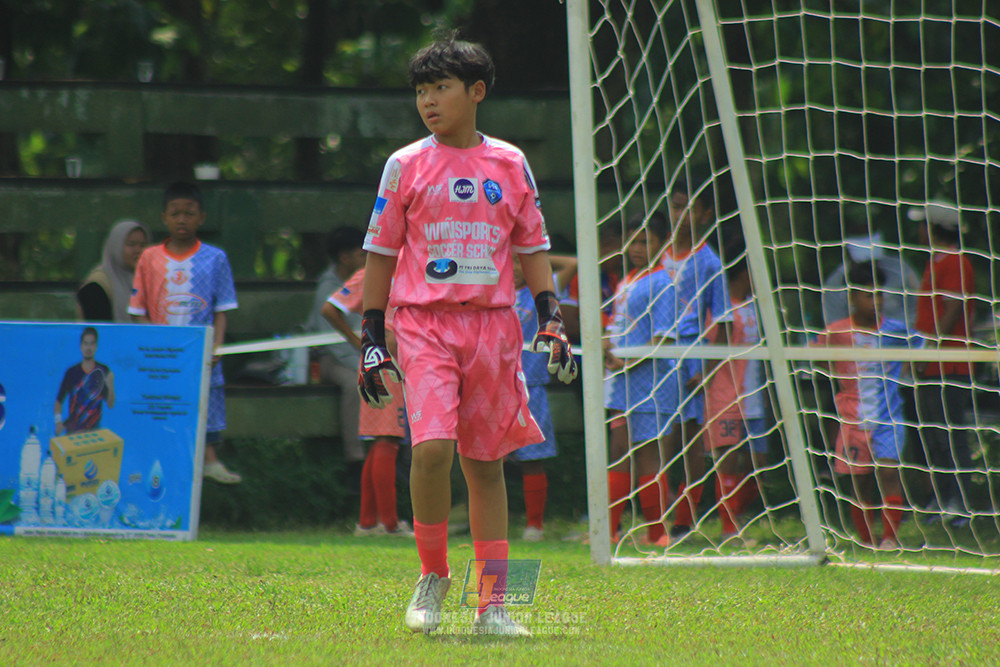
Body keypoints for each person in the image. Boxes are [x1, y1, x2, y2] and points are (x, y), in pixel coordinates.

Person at [358, 36, 576, 636]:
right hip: (423, 324)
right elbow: (380, 253)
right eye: (422, 90)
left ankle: (496, 606)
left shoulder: (510, 163)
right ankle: (433, 578)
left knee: (488, 465)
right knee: (431, 450)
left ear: (476, 92)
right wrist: (372, 334)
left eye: (441, 87)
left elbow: (533, 249)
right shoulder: (404, 164)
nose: (428, 100)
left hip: (495, 327)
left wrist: (551, 315)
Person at [129, 181, 242, 485]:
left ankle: (210, 460)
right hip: (161, 353)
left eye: (189, 213)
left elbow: (222, 308)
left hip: (199, 351)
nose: (182, 219)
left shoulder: (216, 258)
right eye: (175, 213)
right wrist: (155, 344)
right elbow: (137, 311)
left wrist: (216, 345)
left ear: (201, 217)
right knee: (162, 407)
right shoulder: (149, 258)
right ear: (164, 217)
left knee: (204, 399)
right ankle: (155, 465)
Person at [812, 262, 922, 549]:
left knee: (888, 472)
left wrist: (911, 366)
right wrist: (837, 373)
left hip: (889, 417)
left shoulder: (897, 331)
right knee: (859, 483)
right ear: (851, 298)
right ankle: (866, 539)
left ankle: (889, 538)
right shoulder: (836, 332)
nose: (875, 302)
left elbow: (923, 349)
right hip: (853, 419)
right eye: (866, 295)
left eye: (879, 295)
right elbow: (815, 354)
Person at [660, 177, 731, 539]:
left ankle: (684, 519)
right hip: (648, 356)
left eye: (689, 207)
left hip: (687, 358)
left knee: (687, 440)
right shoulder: (654, 253)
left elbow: (725, 324)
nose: (680, 214)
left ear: (705, 215)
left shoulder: (709, 262)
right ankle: (652, 516)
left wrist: (706, 370)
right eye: (675, 206)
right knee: (649, 440)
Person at [321, 265, 413, 537]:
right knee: (387, 438)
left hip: (397, 360)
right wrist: (359, 342)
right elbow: (330, 308)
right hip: (386, 361)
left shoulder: (414, 268)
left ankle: (368, 522)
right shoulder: (374, 270)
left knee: (380, 441)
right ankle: (390, 524)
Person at [603, 212, 677, 547]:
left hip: (648, 384)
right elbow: (616, 326)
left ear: (662, 244)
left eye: (644, 241)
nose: (636, 247)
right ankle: (608, 531)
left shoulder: (664, 283)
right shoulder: (627, 279)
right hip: (619, 382)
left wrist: (625, 359)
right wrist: (605, 346)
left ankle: (657, 532)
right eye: (632, 241)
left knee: (648, 454)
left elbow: (665, 340)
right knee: (618, 451)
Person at [908, 201, 977, 527]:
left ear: (934, 227)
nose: (918, 230)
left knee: (952, 434)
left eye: (923, 224)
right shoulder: (934, 263)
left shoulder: (955, 262)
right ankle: (942, 497)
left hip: (949, 364)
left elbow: (951, 311)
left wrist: (928, 348)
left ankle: (961, 503)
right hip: (931, 363)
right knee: (934, 434)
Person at [703, 239, 768, 542]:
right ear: (744, 272)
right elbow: (710, 348)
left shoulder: (758, 307)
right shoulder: (720, 309)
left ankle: (737, 515)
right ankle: (730, 528)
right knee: (727, 459)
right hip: (727, 394)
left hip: (755, 395)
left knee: (760, 465)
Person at [510, 254, 578, 542]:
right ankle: (491, 523)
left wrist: (530, 253)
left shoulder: (540, 294)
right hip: (493, 386)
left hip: (532, 386)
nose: (513, 268)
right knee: (486, 459)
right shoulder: (490, 292)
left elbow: (571, 264)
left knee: (533, 459)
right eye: (508, 261)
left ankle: (534, 526)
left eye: (518, 262)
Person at [304, 226, 368, 467]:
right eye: (362, 254)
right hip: (330, 359)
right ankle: (355, 458)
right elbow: (334, 344)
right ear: (344, 257)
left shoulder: (367, 279)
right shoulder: (327, 290)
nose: (368, 259)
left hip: (362, 354)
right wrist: (365, 366)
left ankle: (405, 456)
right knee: (354, 384)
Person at [821, 232, 921, 327]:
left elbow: (919, 305)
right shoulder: (834, 285)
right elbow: (834, 323)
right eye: (865, 263)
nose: (870, 268)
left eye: (874, 262)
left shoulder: (900, 269)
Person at [77, 220, 150, 322]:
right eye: (131, 244)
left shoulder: (148, 281)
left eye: (143, 245)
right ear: (116, 246)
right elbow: (98, 331)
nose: (138, 250)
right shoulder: (97, 286)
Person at [55, 326, 116, 435]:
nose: (88, 348)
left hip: (94, 433)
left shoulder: (103, 371)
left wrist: (110, 385)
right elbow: (58, 402)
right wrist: (58, 422)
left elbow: (110, 404)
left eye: (92, 344)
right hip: (73, 433)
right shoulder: (71, 372)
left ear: (96, 346)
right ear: (81, 346)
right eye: (85, 343)